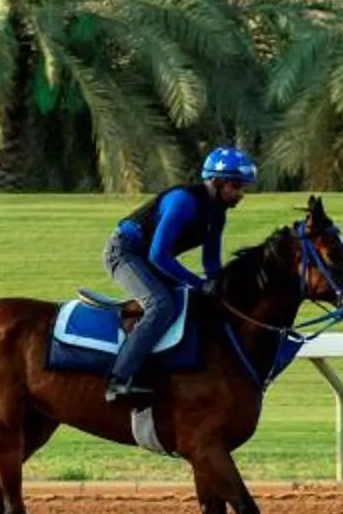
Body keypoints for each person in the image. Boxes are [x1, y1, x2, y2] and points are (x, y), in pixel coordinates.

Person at [102, 147, 256, 402]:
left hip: (148, 258)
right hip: (124, 253)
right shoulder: (183, 202)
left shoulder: (217, 215)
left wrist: (222, 290)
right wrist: (198, 284)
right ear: (216, 182)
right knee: (161, 305)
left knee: (197, 302)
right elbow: (159, 255)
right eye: (236, 186)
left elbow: (211, 263)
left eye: (242, 187)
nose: (241, 194)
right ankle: (118, 379)